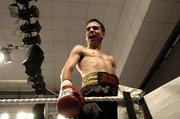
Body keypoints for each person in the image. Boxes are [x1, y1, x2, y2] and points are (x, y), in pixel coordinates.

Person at [57, 19, 119, 119]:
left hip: (113, 94)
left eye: (95, 28)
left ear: (102, 34)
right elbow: (67, 69)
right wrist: (66, 87)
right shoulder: (81, 50)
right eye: (88, 29)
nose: (91, 30)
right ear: (86, 36)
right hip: (91, 91)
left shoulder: (111, 59)